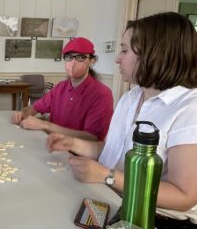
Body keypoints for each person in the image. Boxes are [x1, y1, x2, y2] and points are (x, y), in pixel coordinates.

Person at [48, 12, 197, 228]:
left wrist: (107, 176)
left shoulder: (189, 107)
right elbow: (110, 151)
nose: (117, 58)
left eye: (125, 50)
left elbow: (184, 196)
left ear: (155, 53)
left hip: (156, 218)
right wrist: (72, 144)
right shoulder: (131, 97)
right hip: (111, 200)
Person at [12, 37, 113, 140]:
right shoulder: (60, 88)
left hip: (79, 155)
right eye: (69, 57)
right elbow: (34, 108)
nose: (73, 63)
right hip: (54, 147)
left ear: (92, 61)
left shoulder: (102, 94)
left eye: (81, 57)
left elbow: (91, 137)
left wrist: (45, 125)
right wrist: (22, 113)